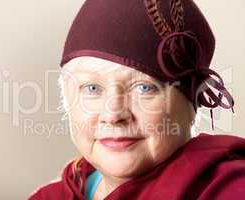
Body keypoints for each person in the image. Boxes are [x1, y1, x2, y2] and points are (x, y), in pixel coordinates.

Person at [27, 0, 245, 199]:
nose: (113, 115)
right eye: (92, 88)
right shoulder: (52, 196)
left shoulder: (227, 189)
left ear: (191, 104)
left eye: (144, 88)